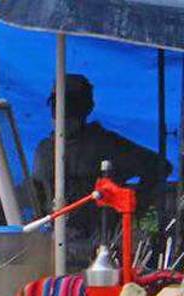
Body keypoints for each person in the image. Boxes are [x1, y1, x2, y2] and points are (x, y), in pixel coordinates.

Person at [31, 74, 172, 270]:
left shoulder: (105, 145)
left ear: (86, 107)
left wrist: (132, 206)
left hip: (99, 250)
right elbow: (34, 198)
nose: (62, 111)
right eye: (57, 104)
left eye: (70, 104)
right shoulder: (44, 150)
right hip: (52, 247)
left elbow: (159, 167)